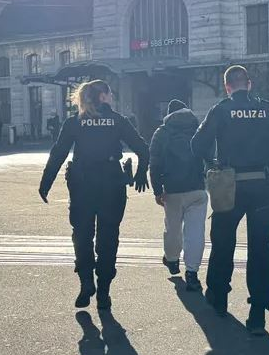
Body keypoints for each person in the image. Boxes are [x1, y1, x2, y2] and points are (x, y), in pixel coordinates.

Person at [191, 65, 269, 336]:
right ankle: (258, 313)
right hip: (262, 185)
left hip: (230, 185)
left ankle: (218, 297)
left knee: (223, 243)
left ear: (227, 86)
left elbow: (197, 144)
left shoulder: (221, 110)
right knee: (260, 249)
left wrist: (212, 163)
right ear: (248, 84)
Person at [38, 80, 150, 312]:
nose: (112, 97)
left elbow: (58, 152)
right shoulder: (119, 121)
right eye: (110, 93)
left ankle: (86, 282)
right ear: (103, 97)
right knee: (108, 237)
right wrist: (140, 173)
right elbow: (143, 148)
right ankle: (104, 292)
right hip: (111, 183)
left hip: (82, 183)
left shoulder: (74, 122)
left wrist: (46, 182)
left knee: (81, 234)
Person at [149, 99, 207, 292]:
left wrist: (157, 190)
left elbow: (154, 164)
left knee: (172, 227)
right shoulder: (198, 128)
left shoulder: (162, 132)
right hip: (197, 188)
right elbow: (210, 153)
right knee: (195, 233)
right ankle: (192, 273)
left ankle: (172, 261)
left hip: (172, 189)